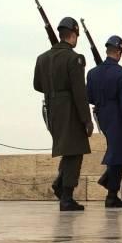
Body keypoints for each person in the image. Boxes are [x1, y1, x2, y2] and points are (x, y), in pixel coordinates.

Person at [33, 17, 93, 211]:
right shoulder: (74, 58)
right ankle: (66, 196)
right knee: (75, 152)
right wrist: (87, 119)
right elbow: (79, 92)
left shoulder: (42, 58)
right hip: (70, 111)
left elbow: (37, 85)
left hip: (52, 110)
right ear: (74, 35)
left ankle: (60, 185)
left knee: (67, 150)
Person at [87, 35, 122, 208]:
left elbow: (89, 97)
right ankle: (111, 195)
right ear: (119, 52)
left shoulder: (92, 73)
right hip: (117, 115)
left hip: (102, 115)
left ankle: (109, 184)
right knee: (118, 154)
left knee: (116, 151)